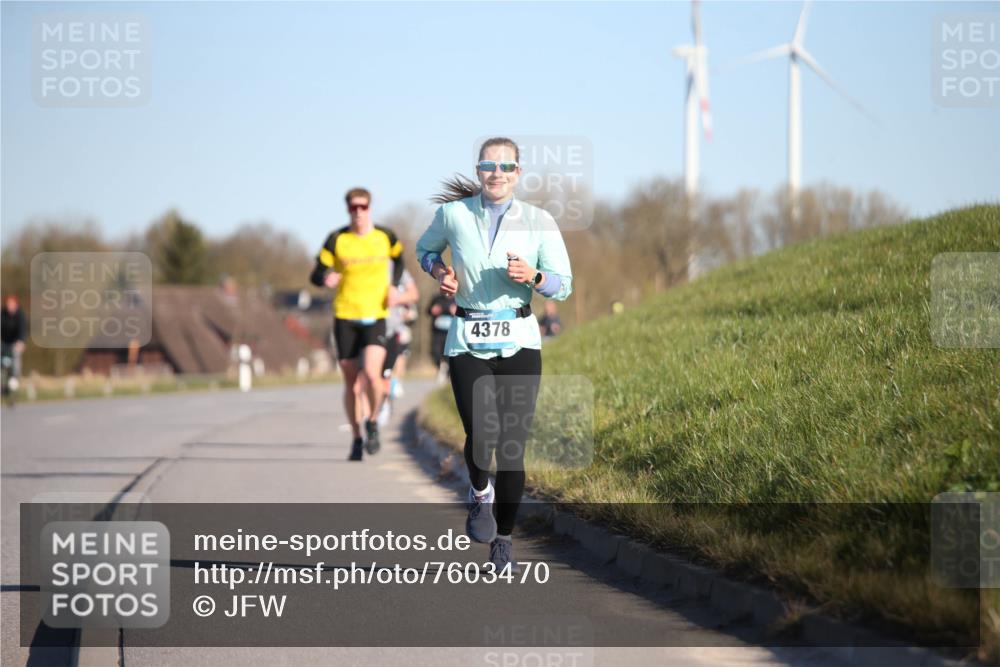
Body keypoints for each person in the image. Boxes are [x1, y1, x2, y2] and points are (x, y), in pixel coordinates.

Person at [415, 137, 572, 571]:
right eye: (488, 166)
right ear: (479, 171)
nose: (496, 173)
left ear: (518, 173)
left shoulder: (539, 221)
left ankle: (503, 540)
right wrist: (440, 271)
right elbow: (424, 250)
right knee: (481, 436)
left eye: (505, 167)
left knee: (512, 448)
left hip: (519, 340)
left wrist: (534, 276)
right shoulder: (453, 214)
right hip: (468, 339)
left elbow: (563, 284)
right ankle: (479, 490)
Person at [310, 187, 405, 461]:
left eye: (363, 207)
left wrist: (394, 286)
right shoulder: (337, 239)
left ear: (370, 208)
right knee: (352, 385)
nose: (358, 212)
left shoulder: (386, 236)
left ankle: (372, 420)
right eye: (353, 207)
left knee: (373, 376)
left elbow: (400, 261)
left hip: (376, 315)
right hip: (345, 316)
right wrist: (325, 279)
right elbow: (316, 274)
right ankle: (356, 437)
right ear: (348, 209)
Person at [1, 295, 27, 400]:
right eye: (8, 304)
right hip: (4, 342)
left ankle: (14, 377)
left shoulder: (20, 315)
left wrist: (21, 342)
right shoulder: (2, 314)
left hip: (15, 342)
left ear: (16, 305)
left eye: (11, 304)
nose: (9, 306)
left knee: (16, 358)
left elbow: (23, 329)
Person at [427, 293, 456, 383]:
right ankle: (440, 367)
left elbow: (465, 314)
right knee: (435, 352)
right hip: (437, 333)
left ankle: (448, 373)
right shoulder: (437, 298)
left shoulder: (458, 299)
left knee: (450, 354)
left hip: (452, 333)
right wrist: (432, 310)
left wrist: (457, 312)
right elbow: (427, 311)